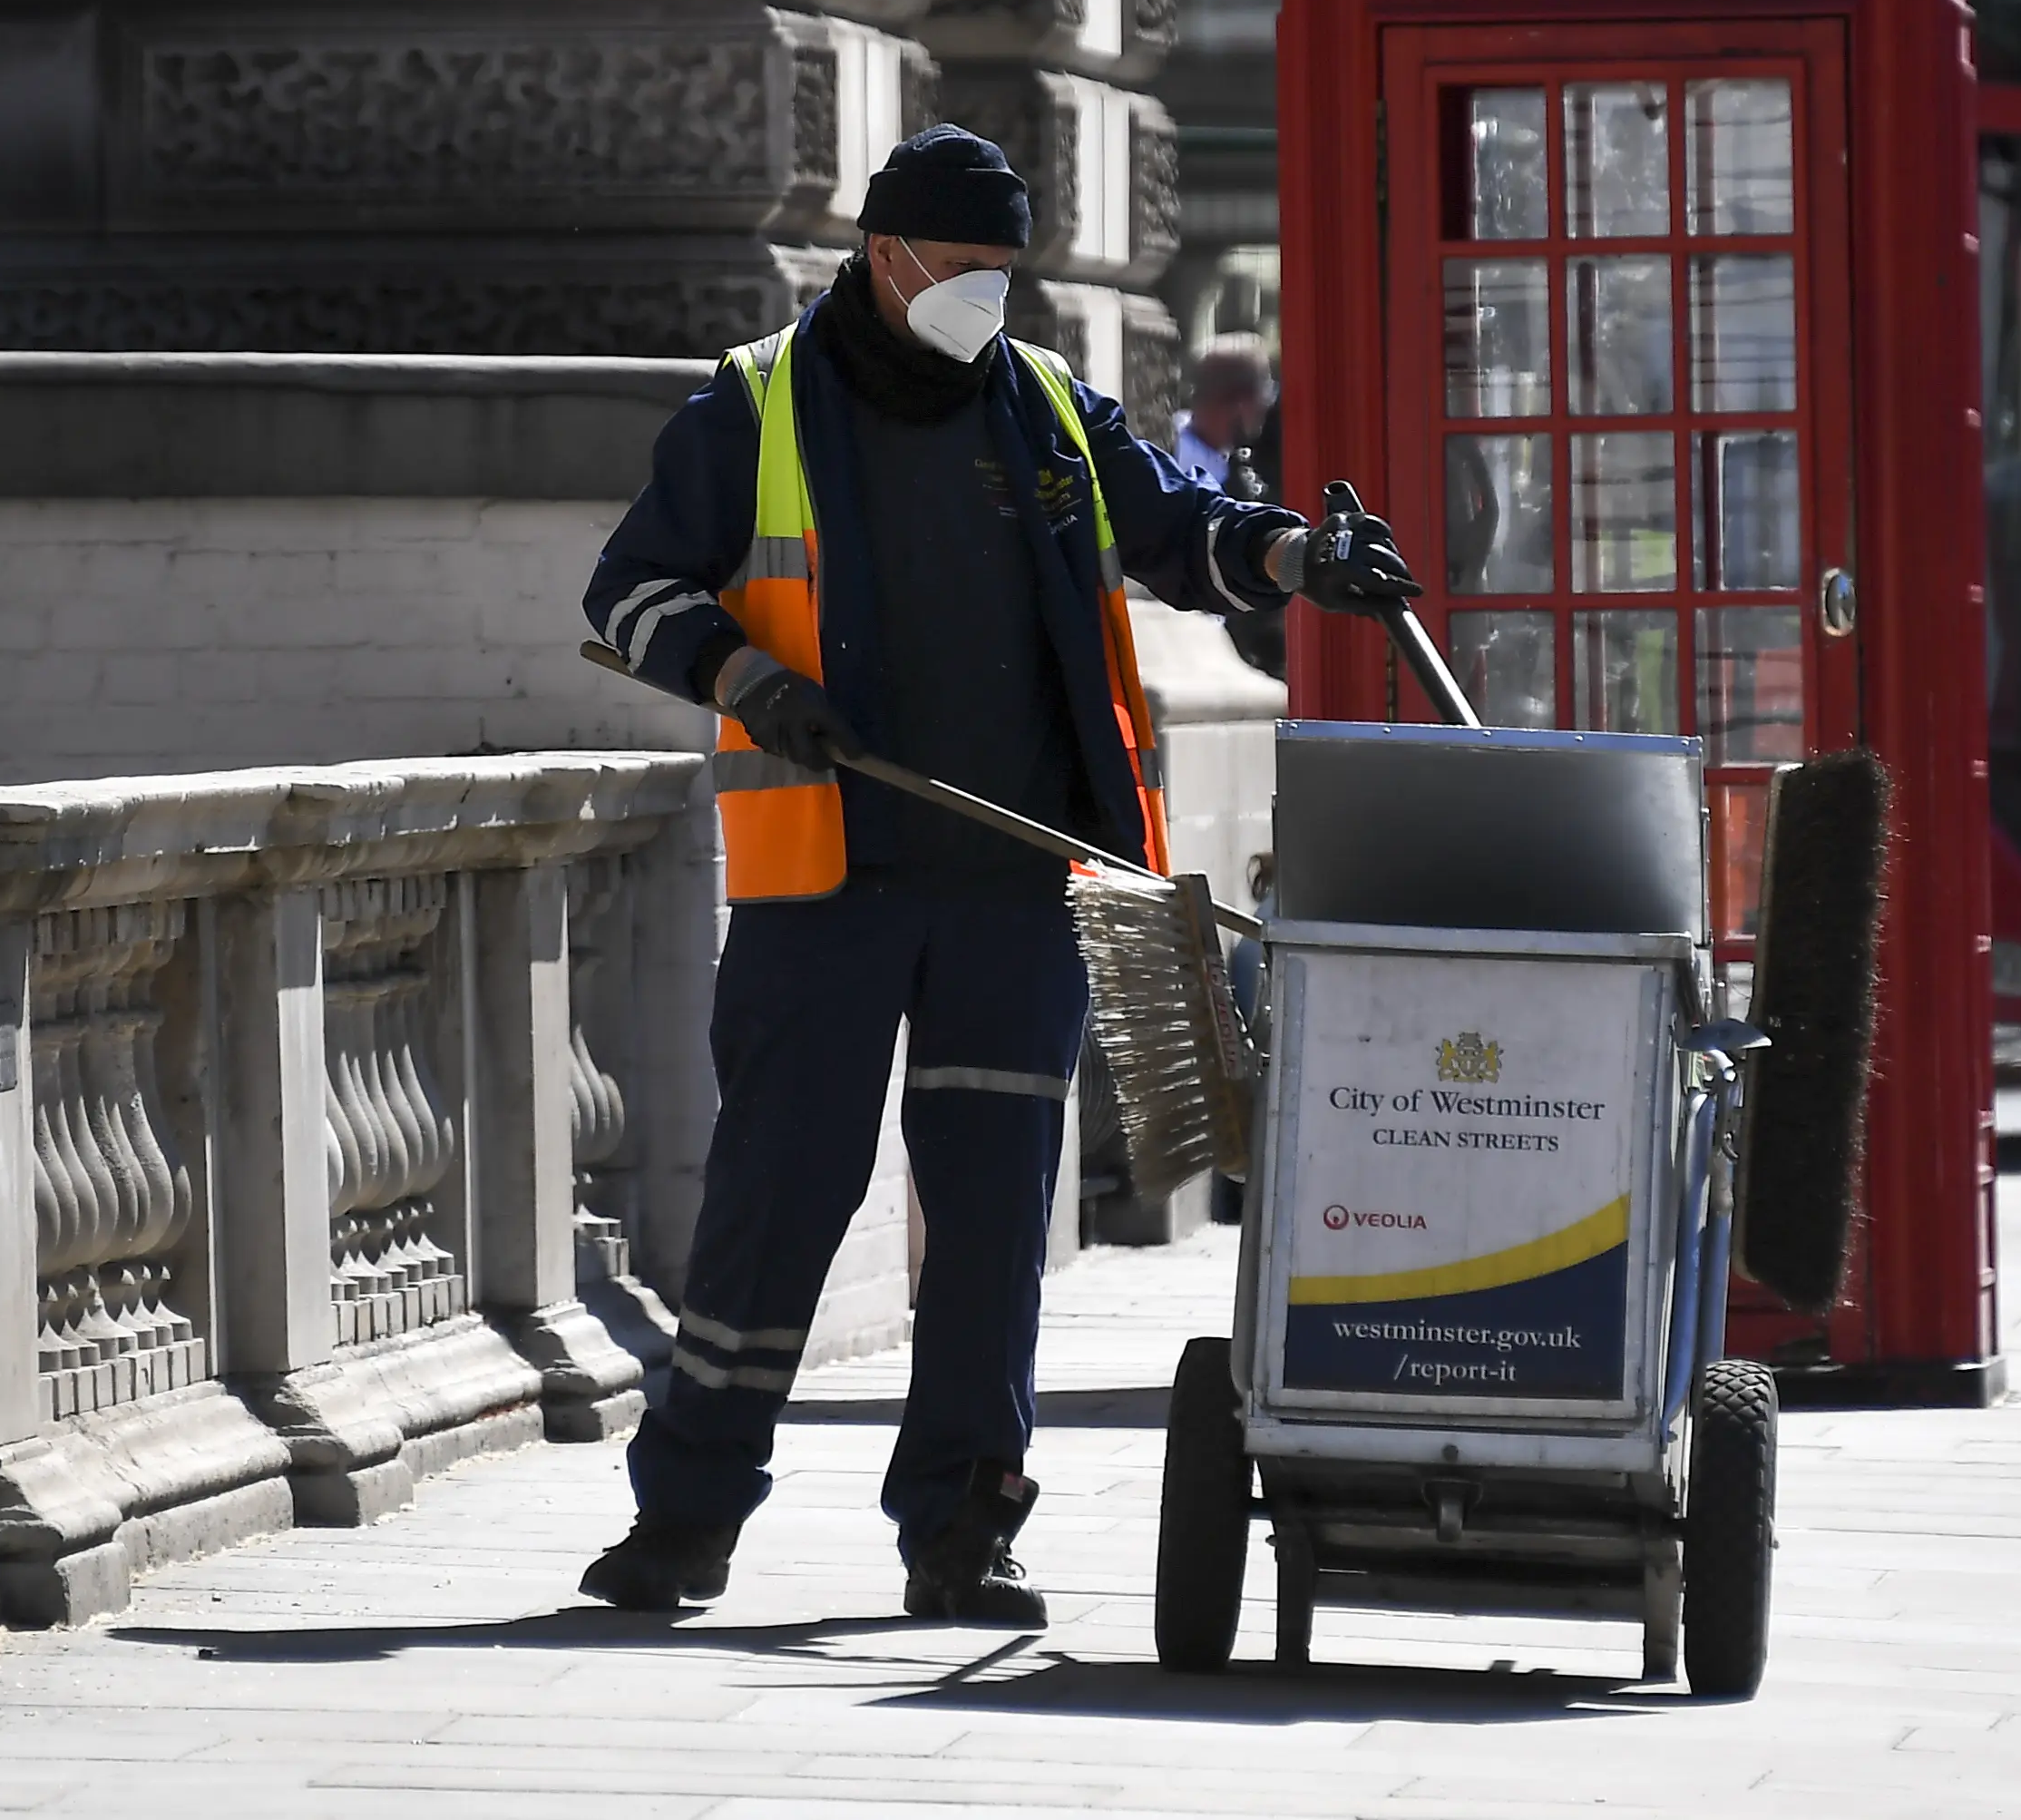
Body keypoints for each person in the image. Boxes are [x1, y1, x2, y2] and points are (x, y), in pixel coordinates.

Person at [571, 125, 1419, 1625]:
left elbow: (1180, 528)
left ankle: (964, 1528)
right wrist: (747, 677)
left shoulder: (1038, 405)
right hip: (825, 885)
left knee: (989, 1224)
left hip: (1018, 889)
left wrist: (1296, 556)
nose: (988, 293)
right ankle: (686, 1519)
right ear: (886, 254)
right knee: (778, 1204)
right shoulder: (757, 401)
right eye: (964, 265)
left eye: (1005, 269)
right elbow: (630, 589)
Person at [1169, 335, 1274, 494]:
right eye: (1263, 392)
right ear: (1239, 404)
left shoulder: (1230, 460)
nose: (1266, 404)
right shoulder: (1183, 473)